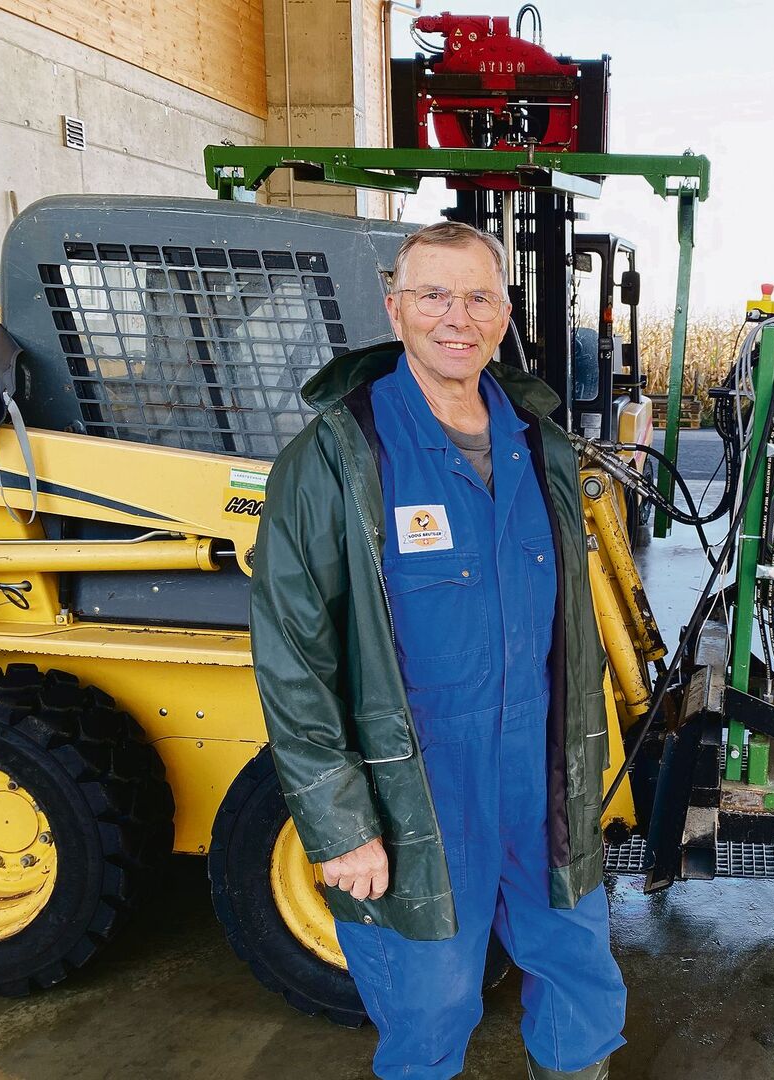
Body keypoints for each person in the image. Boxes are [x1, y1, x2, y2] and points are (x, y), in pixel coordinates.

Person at [250, 220, 626, 1079]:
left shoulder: (541, 445)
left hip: (540, 775)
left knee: (580, 981)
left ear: (503, 317)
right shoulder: (337, 456)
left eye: (479, 298)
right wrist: (341, 824)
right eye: (434, 295)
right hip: (416, 789)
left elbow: (569, 632)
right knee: (431, 1007)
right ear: (395, 307)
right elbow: (294, 657)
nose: (457, 317)